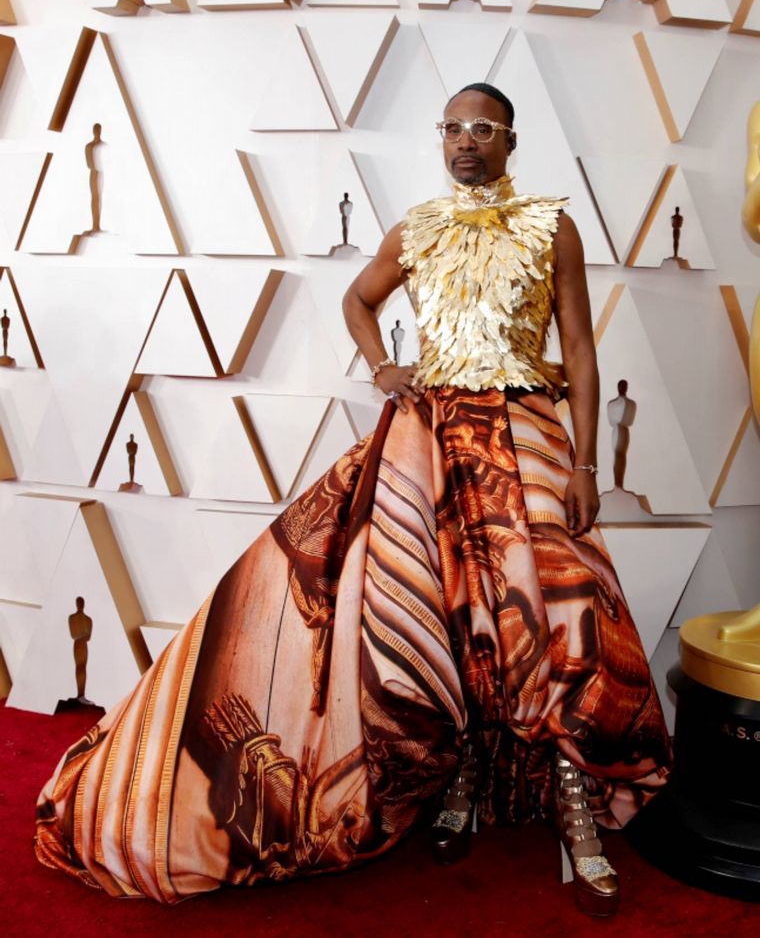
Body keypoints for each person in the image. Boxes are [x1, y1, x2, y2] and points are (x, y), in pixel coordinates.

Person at [34, 83, 671, 916]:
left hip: (524, 427)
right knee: (439, 613)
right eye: (451, 128)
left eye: (482, 129)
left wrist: (586, 466)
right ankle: (464, 776)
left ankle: (575, 804)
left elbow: (582, 351)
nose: (465, 142)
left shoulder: (555, 226)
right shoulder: (416, 228)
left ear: (512, 140)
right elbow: (356, 300)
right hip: (431, 433)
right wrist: (381, 365)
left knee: (558, 606)